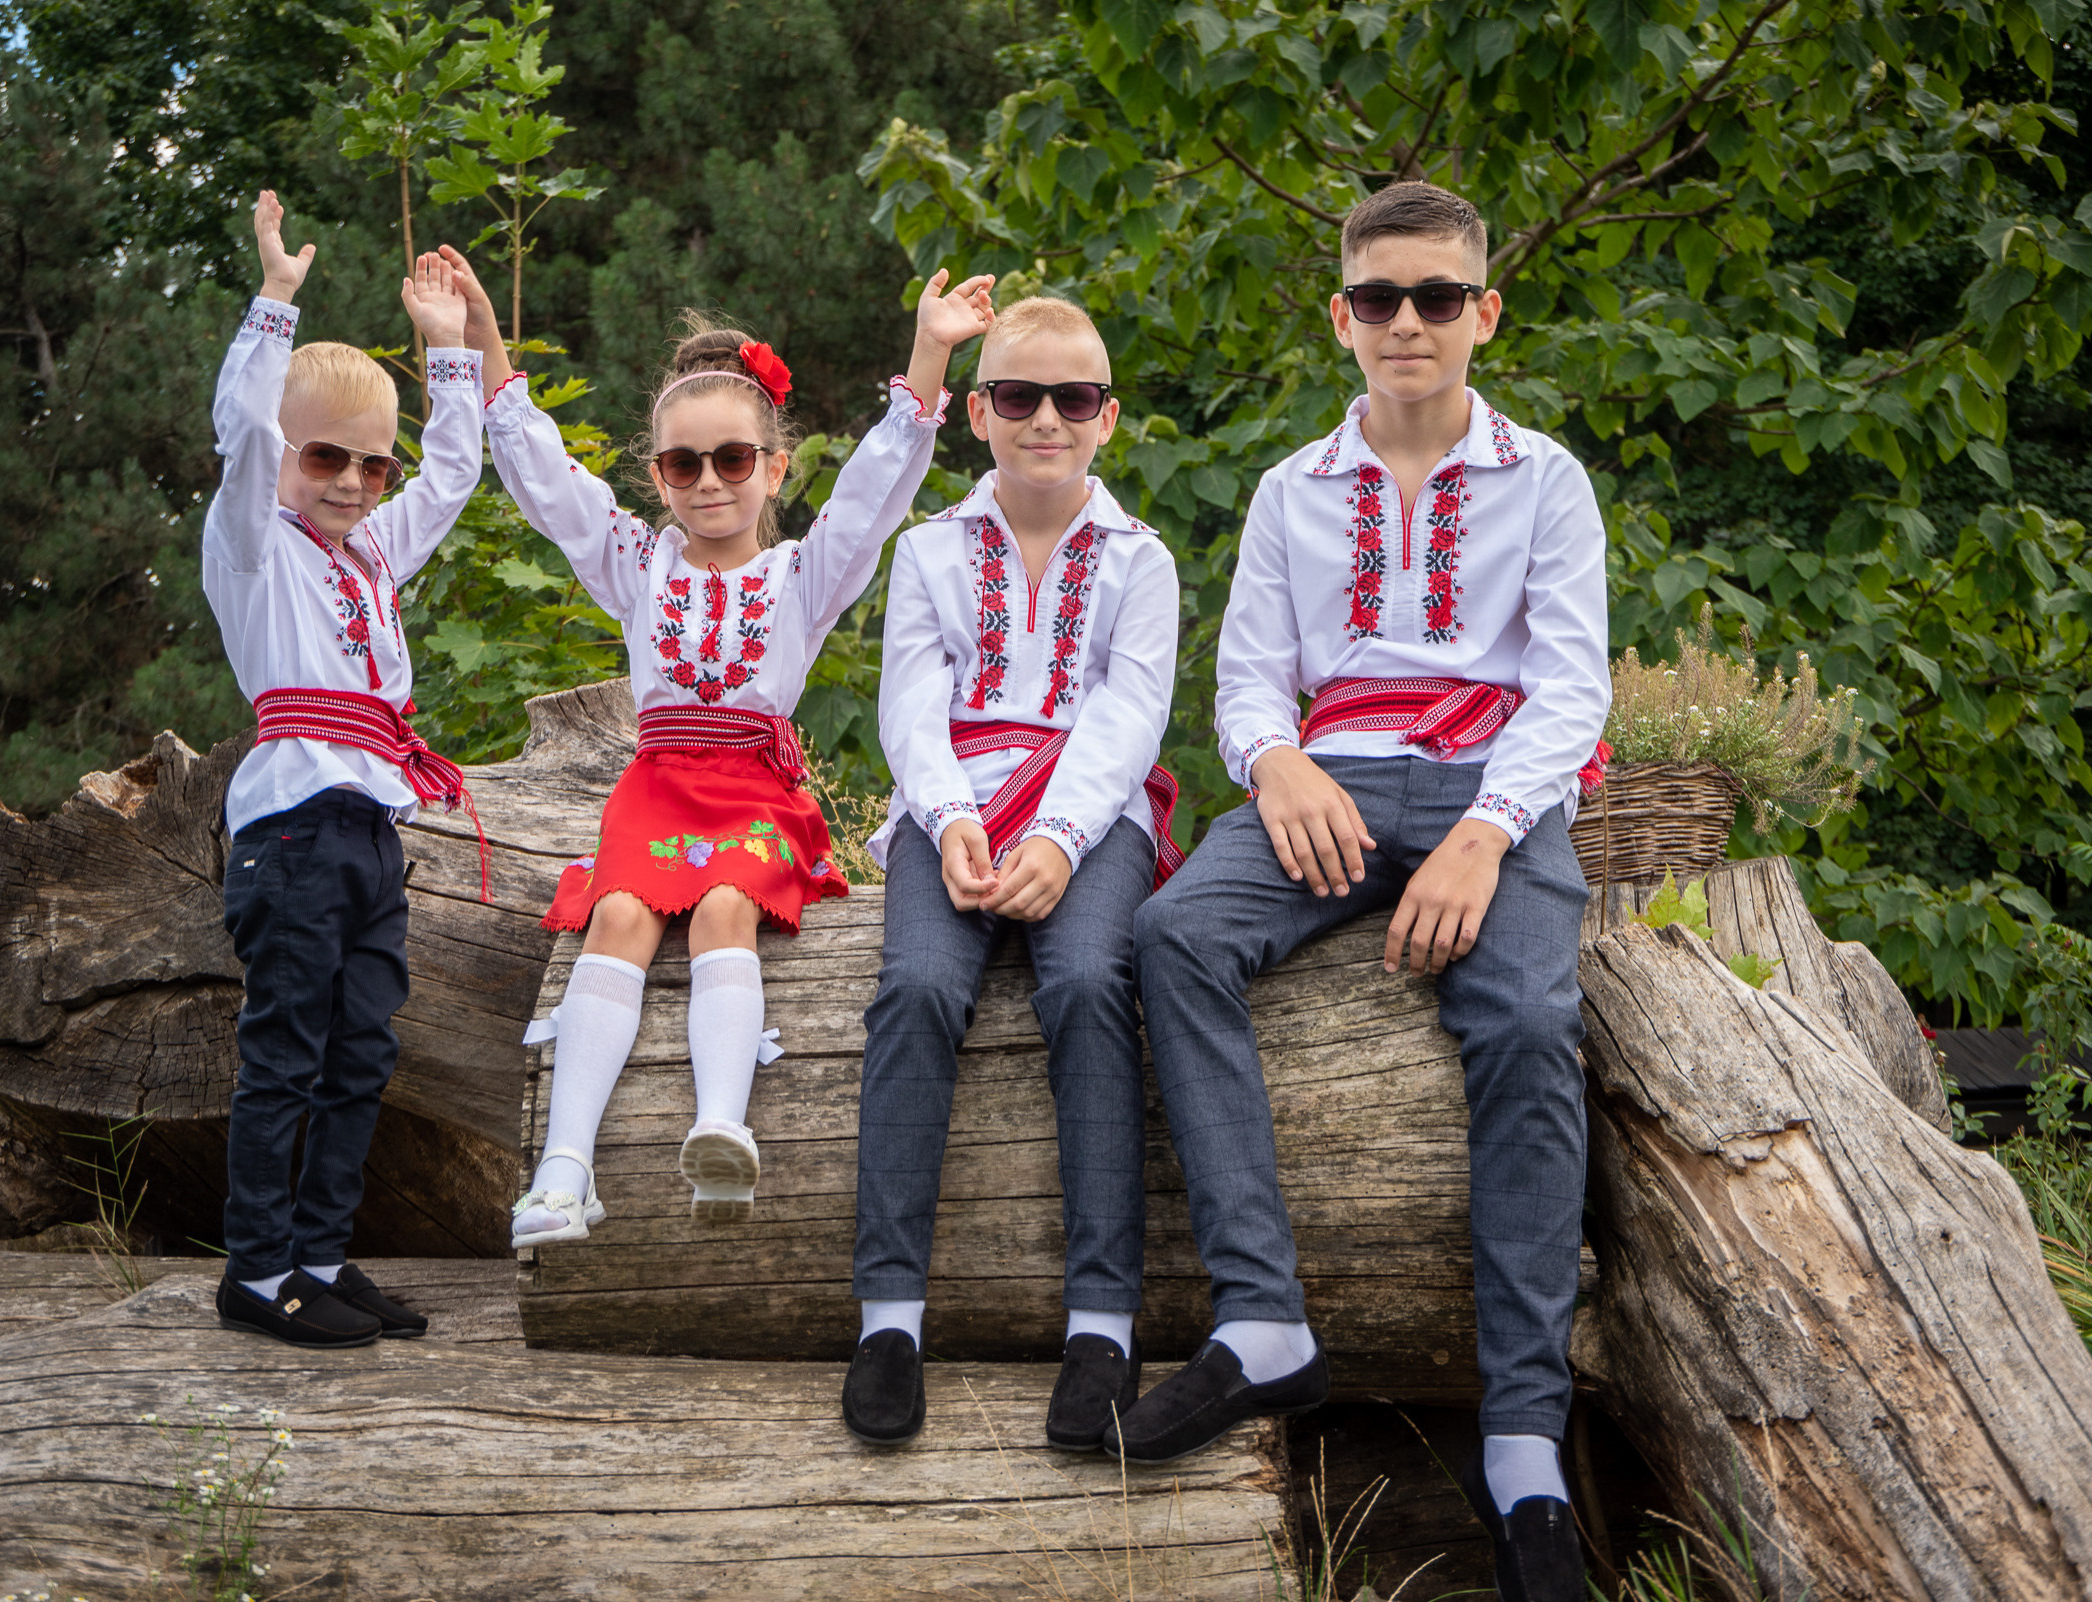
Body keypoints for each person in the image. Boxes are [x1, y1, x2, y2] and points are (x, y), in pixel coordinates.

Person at [1107, 181, 1607, 1602]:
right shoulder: (1290, 490)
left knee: (1521, 1024)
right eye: (1380, 297)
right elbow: (1248, 672)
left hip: (1488, 788)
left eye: (1437, 297)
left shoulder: (1545, 480)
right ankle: (1262, 1319)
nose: (1408, 322)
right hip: (1328, 784)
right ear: (1342, 316)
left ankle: (1522, 1446)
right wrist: (1273, 764)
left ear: (1483, 315)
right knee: (1172, 932)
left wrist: (1488, 829)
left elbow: (1571, 683)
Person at [459, 248, 998, 1241]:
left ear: (775, 467)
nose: (708, 482)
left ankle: (720, 1133)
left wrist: (928, 354)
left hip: (751, 787)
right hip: (658, 785)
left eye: (733, 459)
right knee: (616, 913)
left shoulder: (805, 574)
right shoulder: (635, 561)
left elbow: (879, 487)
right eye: (682, 464)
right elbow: (543, 476)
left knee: (721, 903)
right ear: (657, 477)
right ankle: (563, 1172)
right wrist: (485, 338)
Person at [841, 297, 1182, 1450]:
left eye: (1072, 398)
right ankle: (888, 1318)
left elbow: (1130, 714)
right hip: (955, 813)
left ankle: (1102, 1327)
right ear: (979, 410)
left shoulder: (1141, 560)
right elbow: (909, 704)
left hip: (1086, 819)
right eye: (1020, 395)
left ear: (1107, 418)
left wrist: (1062, 839)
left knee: (1090, 986)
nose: (1046, 418)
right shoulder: (929, 549)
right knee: (918, 993)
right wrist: (943, 819)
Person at [208, 191, 490, 1349]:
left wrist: (446, 350)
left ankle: (320, 1256)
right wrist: (275, 300)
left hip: (373, 831)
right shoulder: (253, 543)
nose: (355, 484)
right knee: (287, 1049)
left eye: (374, 467)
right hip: (292, 832)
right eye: (328, 458)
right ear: (290, 454)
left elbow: (456, 474)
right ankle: (255, 1268)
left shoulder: (369, 551)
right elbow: (244, 437)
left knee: (364, 1044)